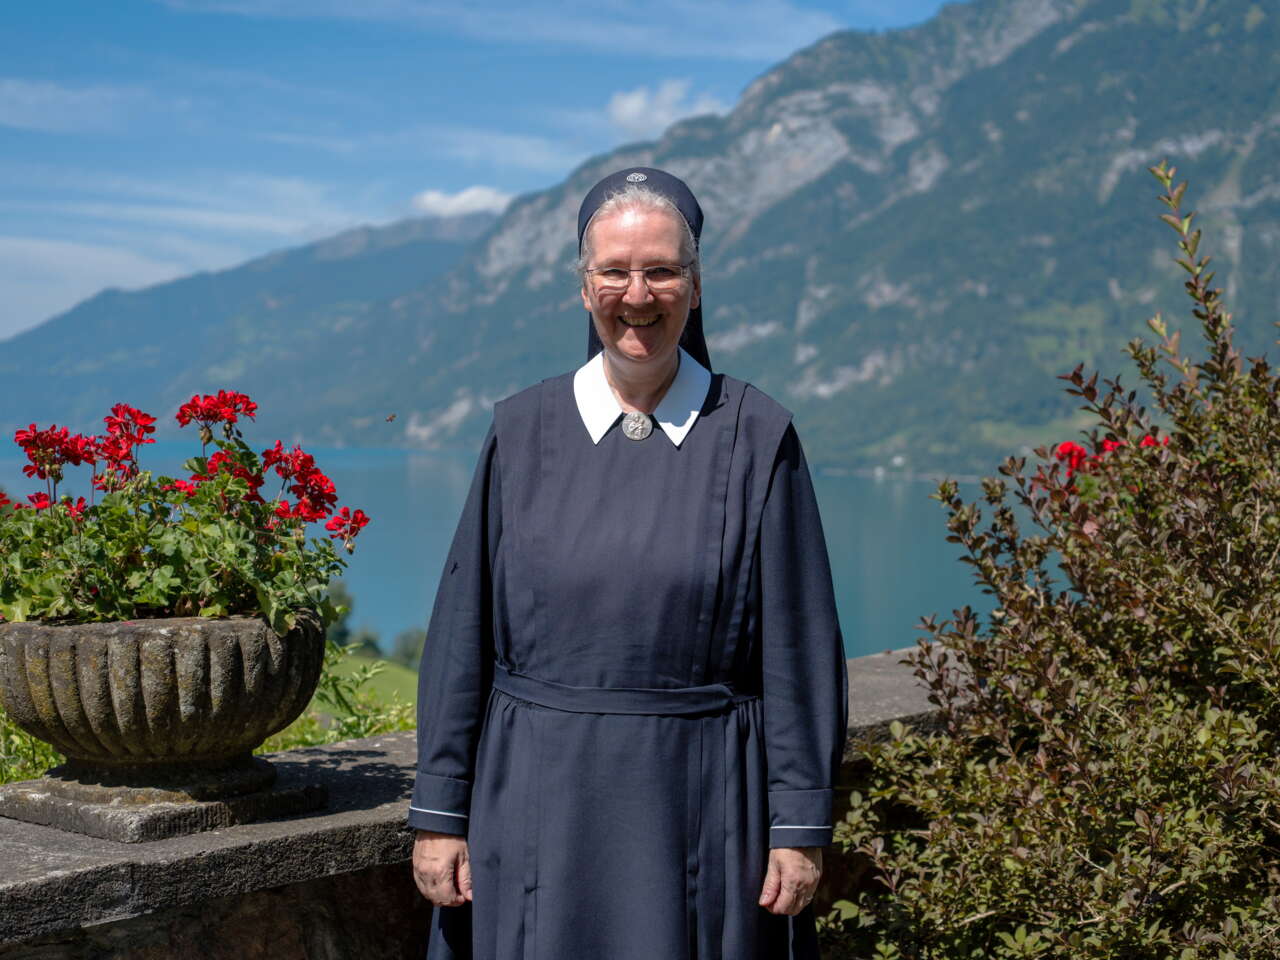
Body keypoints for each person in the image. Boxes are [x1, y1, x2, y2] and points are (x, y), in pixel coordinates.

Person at [409, 166, 848, 960]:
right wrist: (440, 812)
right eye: (614, 271)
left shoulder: (757, 436)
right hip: (535, 801)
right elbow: (460, 632)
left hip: (706, 806)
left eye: (661, 271)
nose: (637, 295)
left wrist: (801, 825)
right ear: (584, 289)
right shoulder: (522, 429)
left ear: (695, 285)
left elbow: (800, 647)